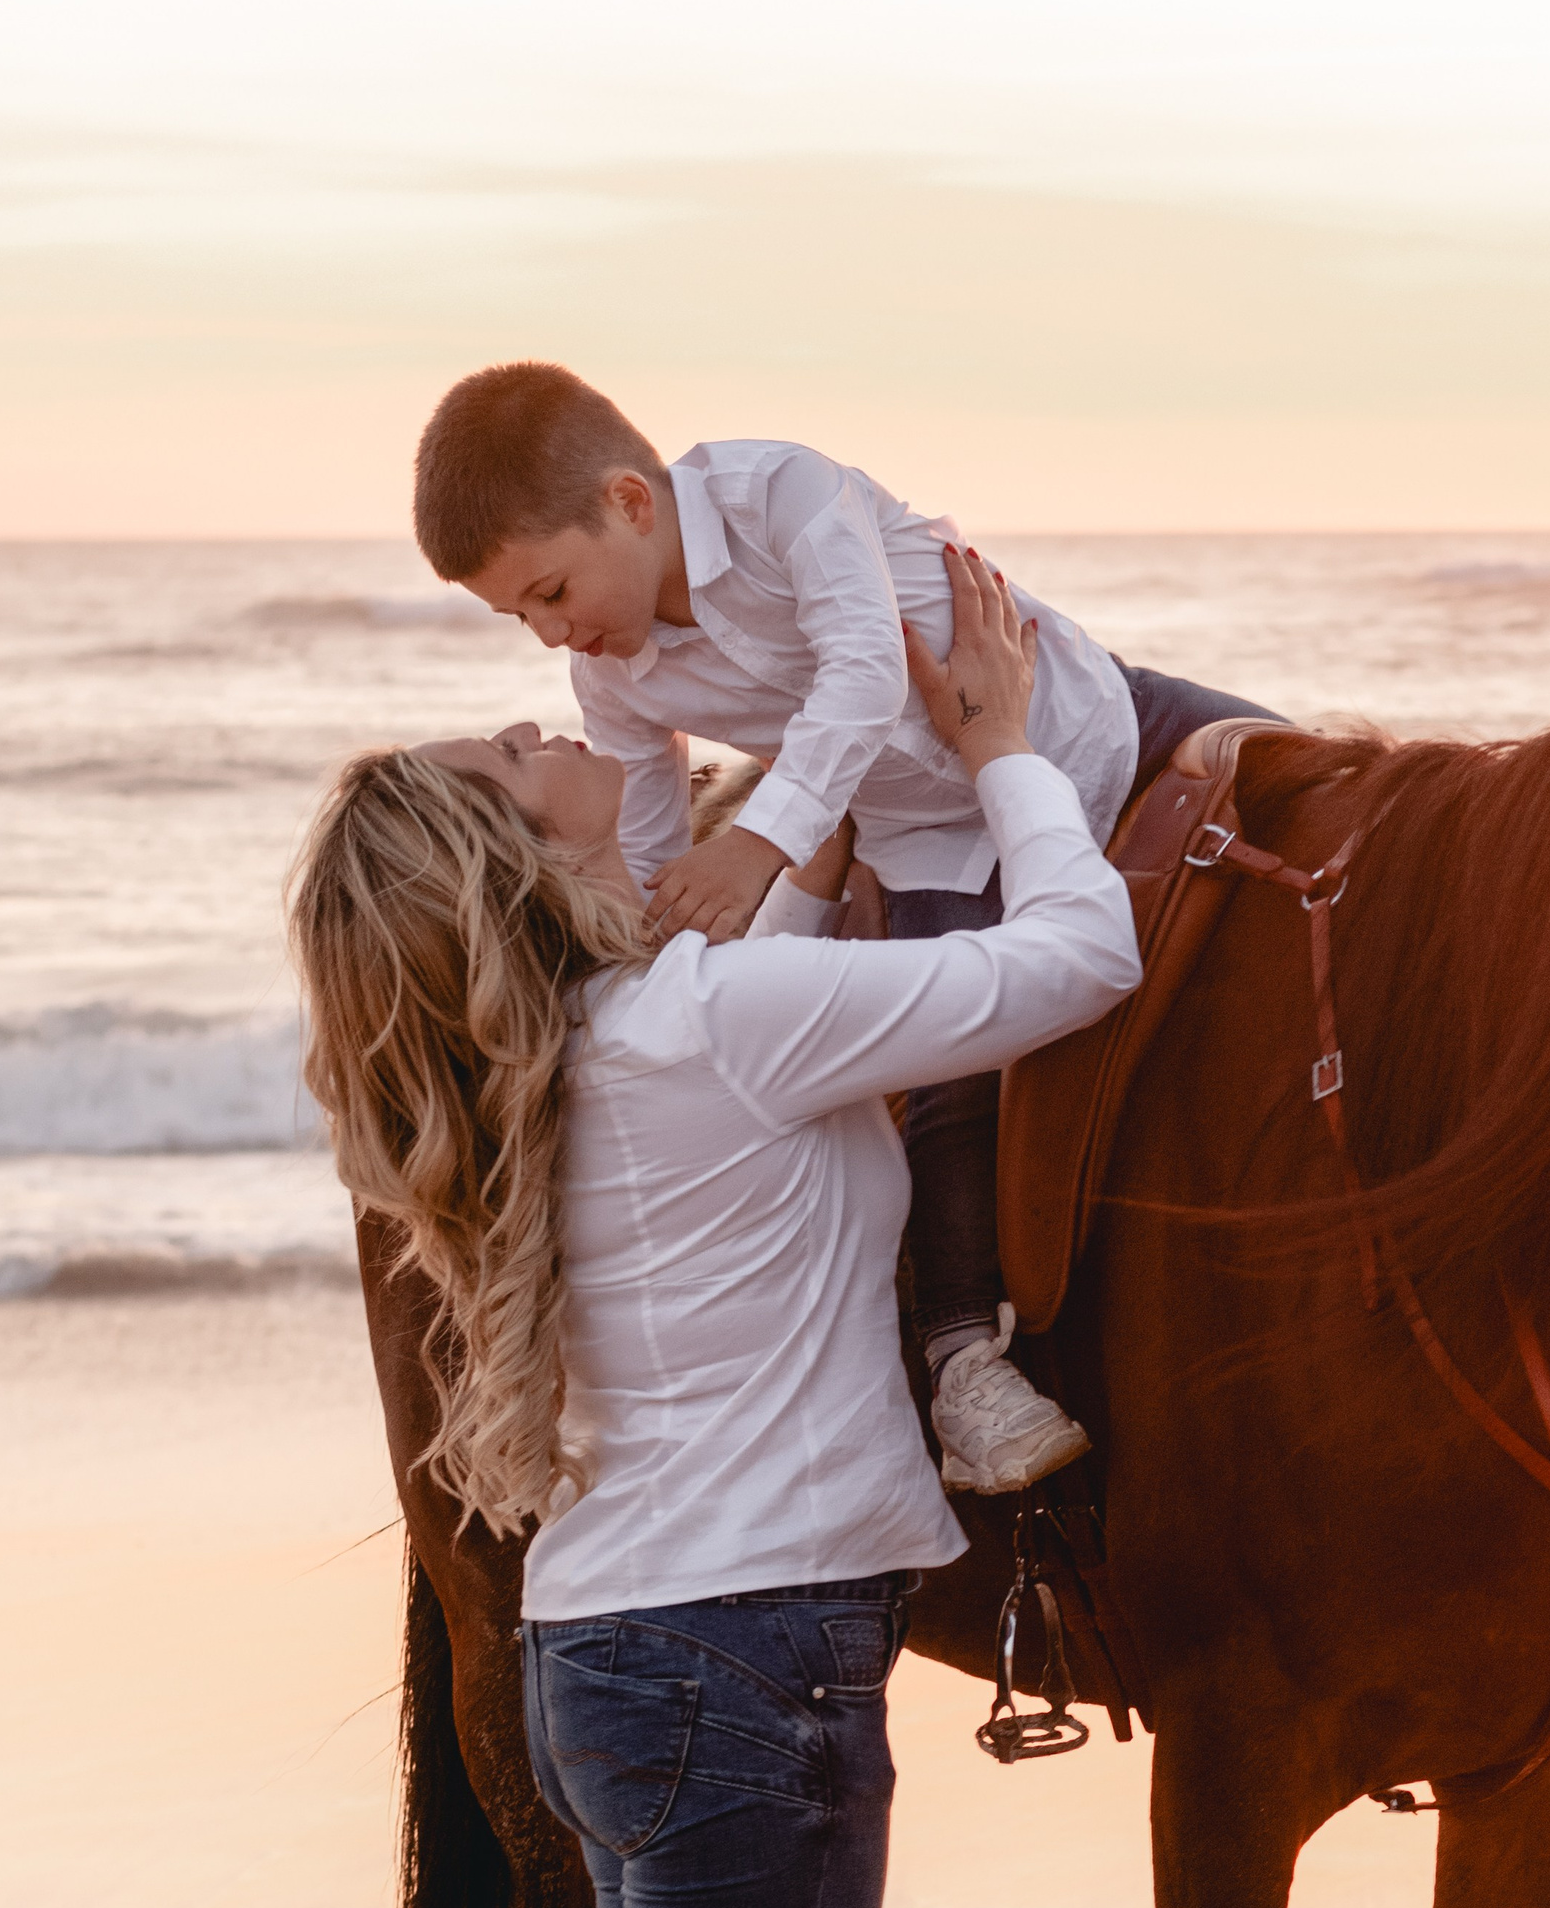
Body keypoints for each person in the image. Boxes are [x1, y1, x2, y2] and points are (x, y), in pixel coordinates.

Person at [288, 554, 1140, 1908]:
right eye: (512, 762)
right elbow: (1079, 957)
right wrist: (1001, 748)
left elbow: (757, 998)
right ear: (520, 857)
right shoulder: (712, 1028)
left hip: (605, 1662)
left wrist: (824, 775)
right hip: (744, 1672)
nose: (537, 726)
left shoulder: (561, 1057)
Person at [410, 361, 1277, 1491]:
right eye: (519, 614)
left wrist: (761, 841)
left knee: (1326, 783)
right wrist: (674, 968)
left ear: (630, 502)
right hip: (933, 832)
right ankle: (964, 1359)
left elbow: (866, 676)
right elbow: (646, 844)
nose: (547, 635)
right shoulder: (618, 680)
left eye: (551, 591)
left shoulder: (783, 496)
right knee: (956, 1078)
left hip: (1078, 718)